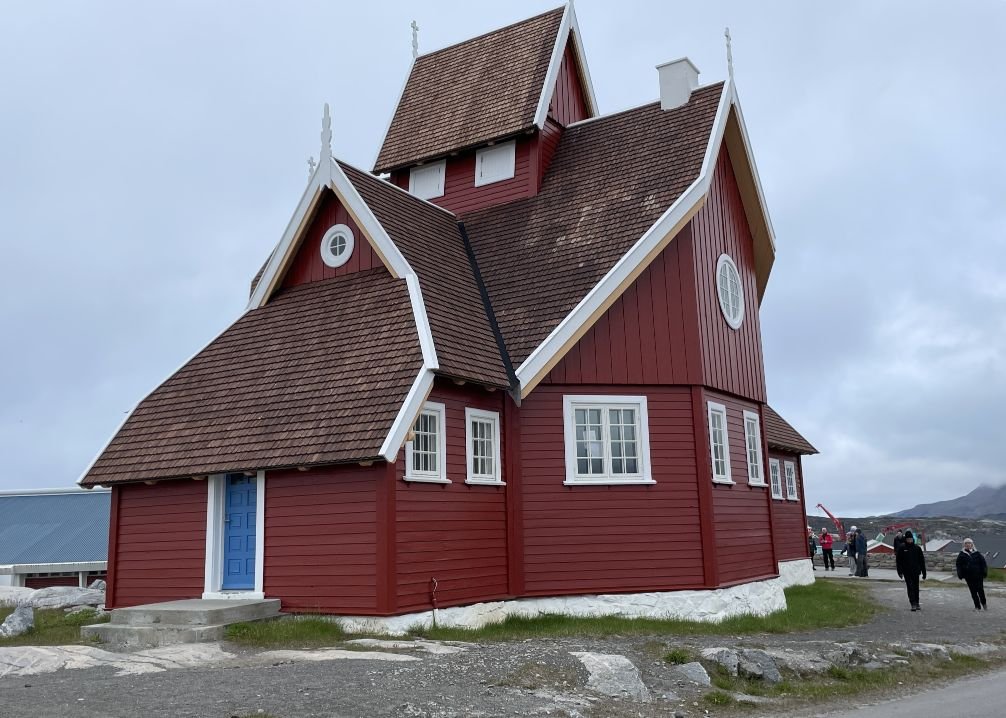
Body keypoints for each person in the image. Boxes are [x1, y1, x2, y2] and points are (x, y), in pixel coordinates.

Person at [896, 530, 927, 611]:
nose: (909, 540)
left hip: (916, 571)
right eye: (908, 539)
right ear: (905, 539)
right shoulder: (902, 548)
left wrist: (924, 572)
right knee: (910, 587)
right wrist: (899, 572)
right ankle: (912, 603)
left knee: (916, 587)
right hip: (906, 572)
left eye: (911, 539)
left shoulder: (917, 548)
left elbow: (922, 561)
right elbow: (898, 561)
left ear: (913, 539)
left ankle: (917, 603)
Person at [956, 537, 988, 611]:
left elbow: (983, 564)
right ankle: (977, 606)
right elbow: (958, 565)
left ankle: (984, 604)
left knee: (980, 590)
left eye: (969, 543)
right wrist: (960, 574)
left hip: (978, 575)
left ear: (972, 544)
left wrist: (984, 572)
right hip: (968, 576)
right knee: (973, 591)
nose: (967, 545)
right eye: (966, 543)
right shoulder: (961, 554)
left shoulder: (977, 553)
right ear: (964, 545)